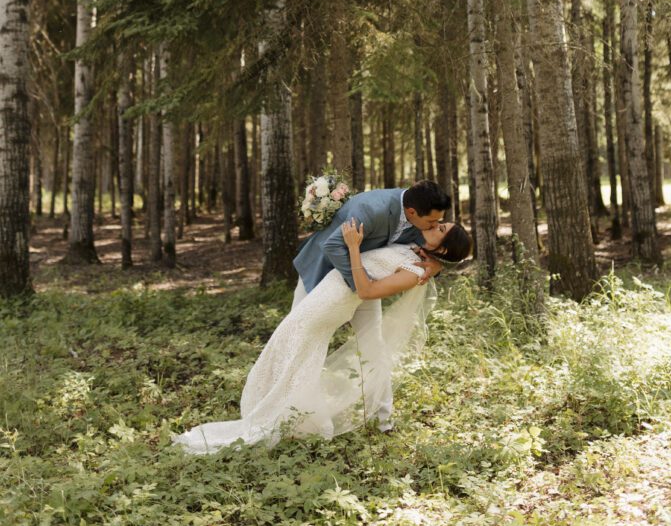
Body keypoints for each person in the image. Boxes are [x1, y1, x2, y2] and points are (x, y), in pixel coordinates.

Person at [173, 212, 471, 454]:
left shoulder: (415, 271)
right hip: (327, 291)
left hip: (333, 302)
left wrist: (353, 247)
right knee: (293, 348)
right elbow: (426, 256)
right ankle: (294, 416)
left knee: (295, 347)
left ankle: (286, 418)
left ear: (442, 247)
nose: (435, 224)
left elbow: (367, 290)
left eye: (440, 227)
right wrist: (436, 265)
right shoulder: (418, 252)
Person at [291, 179, 452, 430]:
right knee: (300, 339)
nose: (435, 227)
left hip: (364, 284)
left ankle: (383, 420)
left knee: (373, 346)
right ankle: (295, 414)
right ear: (412, 213)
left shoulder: (419, 216)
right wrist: (360, 285)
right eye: (431, 222)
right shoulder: (371, 208)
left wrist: (435, 266)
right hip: (322, 273)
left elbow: (441, 246)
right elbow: (333, 245)